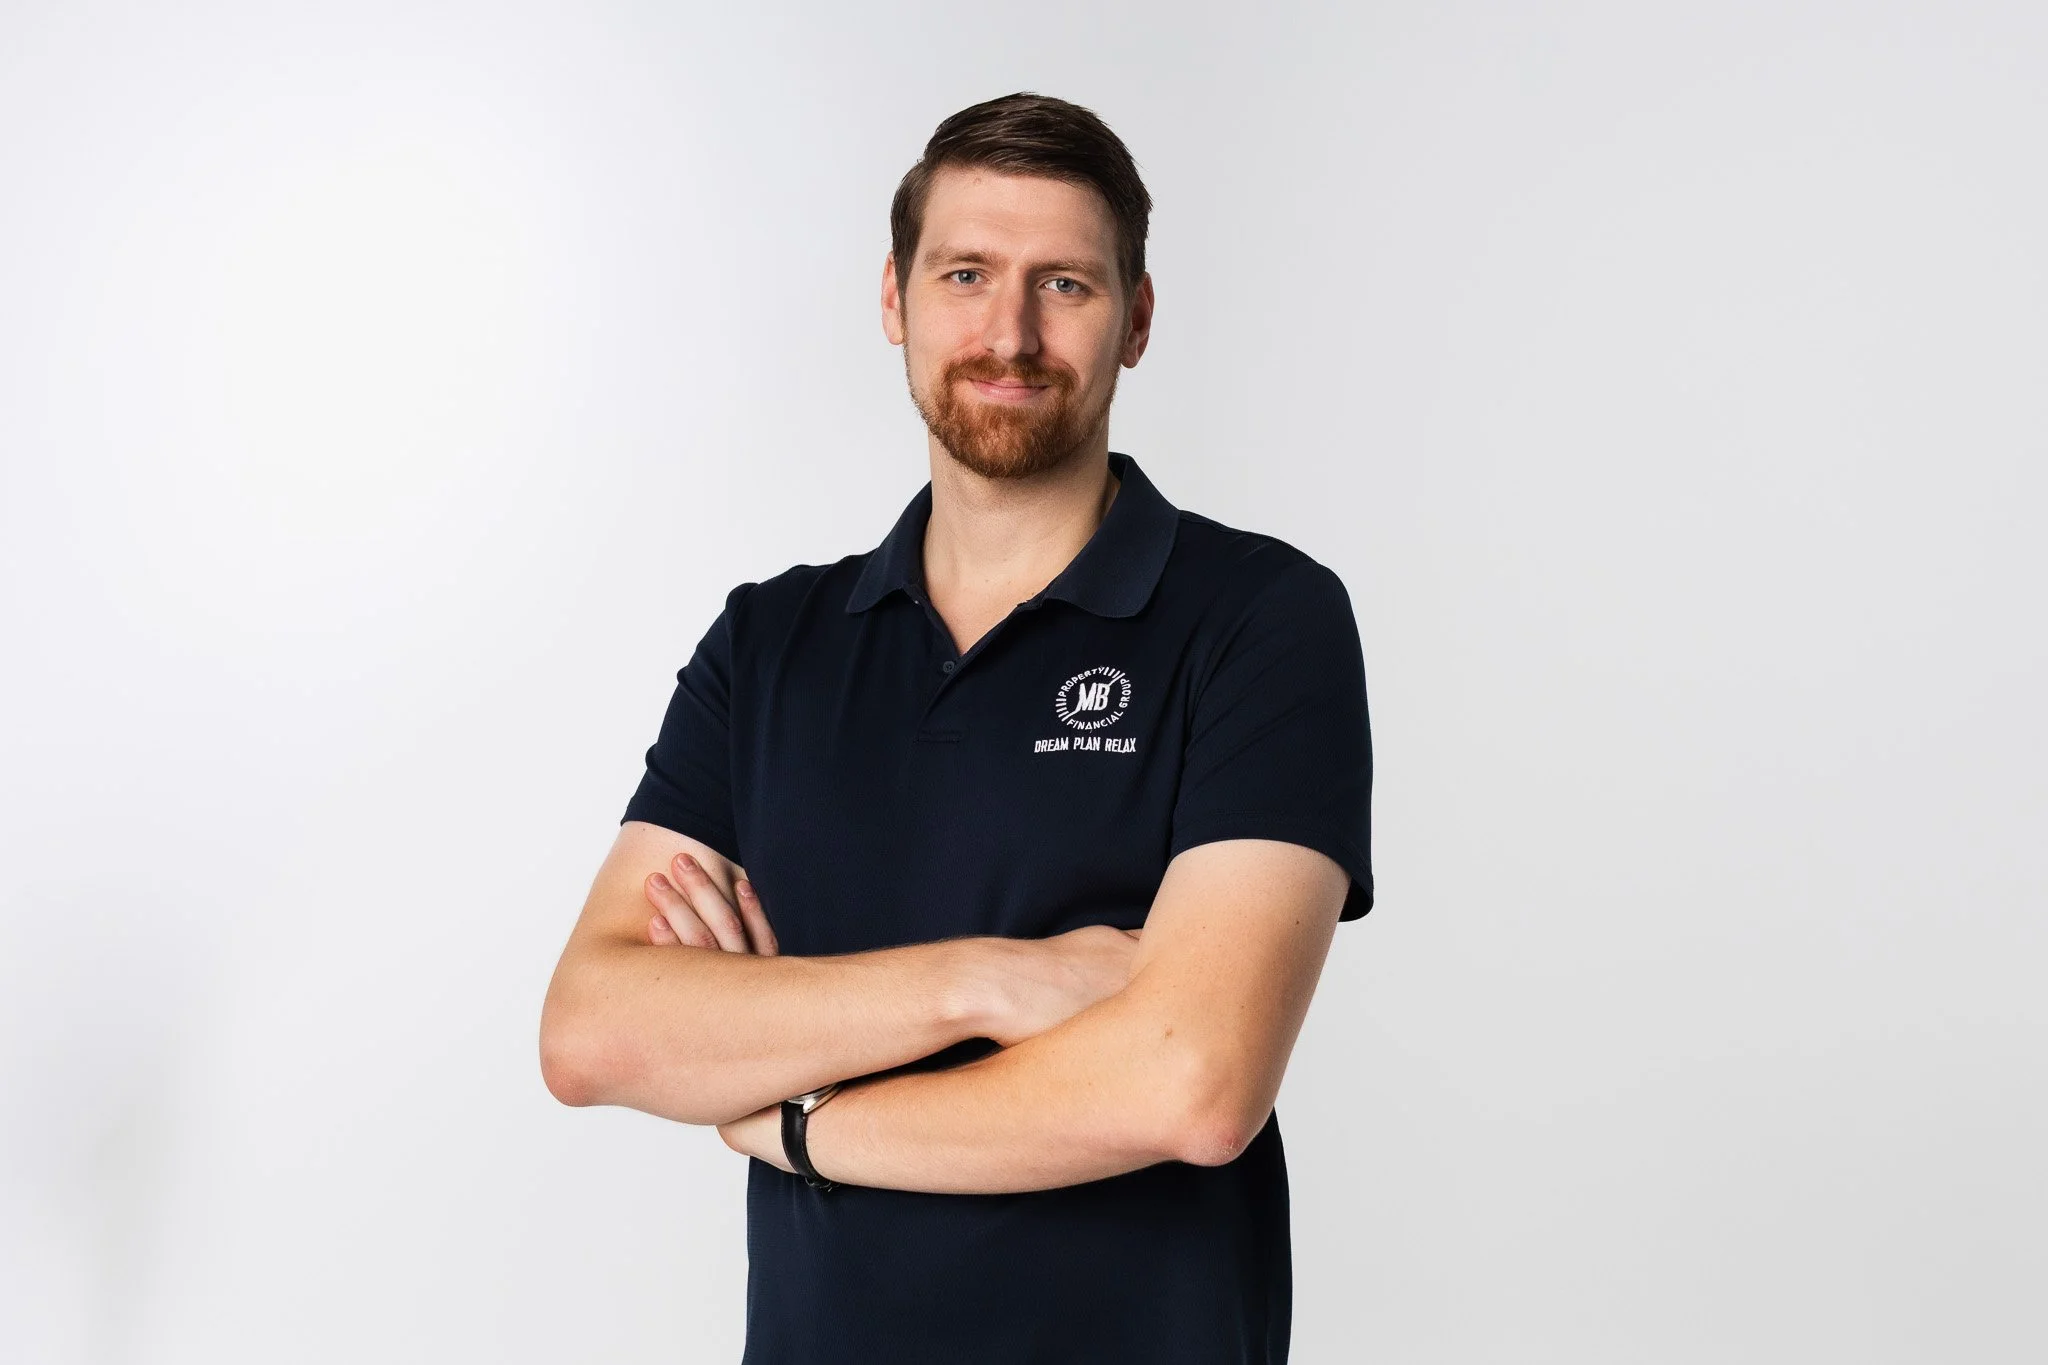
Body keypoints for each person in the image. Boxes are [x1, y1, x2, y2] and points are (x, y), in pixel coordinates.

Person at [539, 91, 1374, 1365]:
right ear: (896, 299)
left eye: (1065, 285)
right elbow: (594, 1030)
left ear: (1136, 320)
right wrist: (990, 981)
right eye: (966, 274)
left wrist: (796, 1117)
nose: (1009, 333)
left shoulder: (1260, 618)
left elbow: (1192, 1084)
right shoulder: (769, 644)